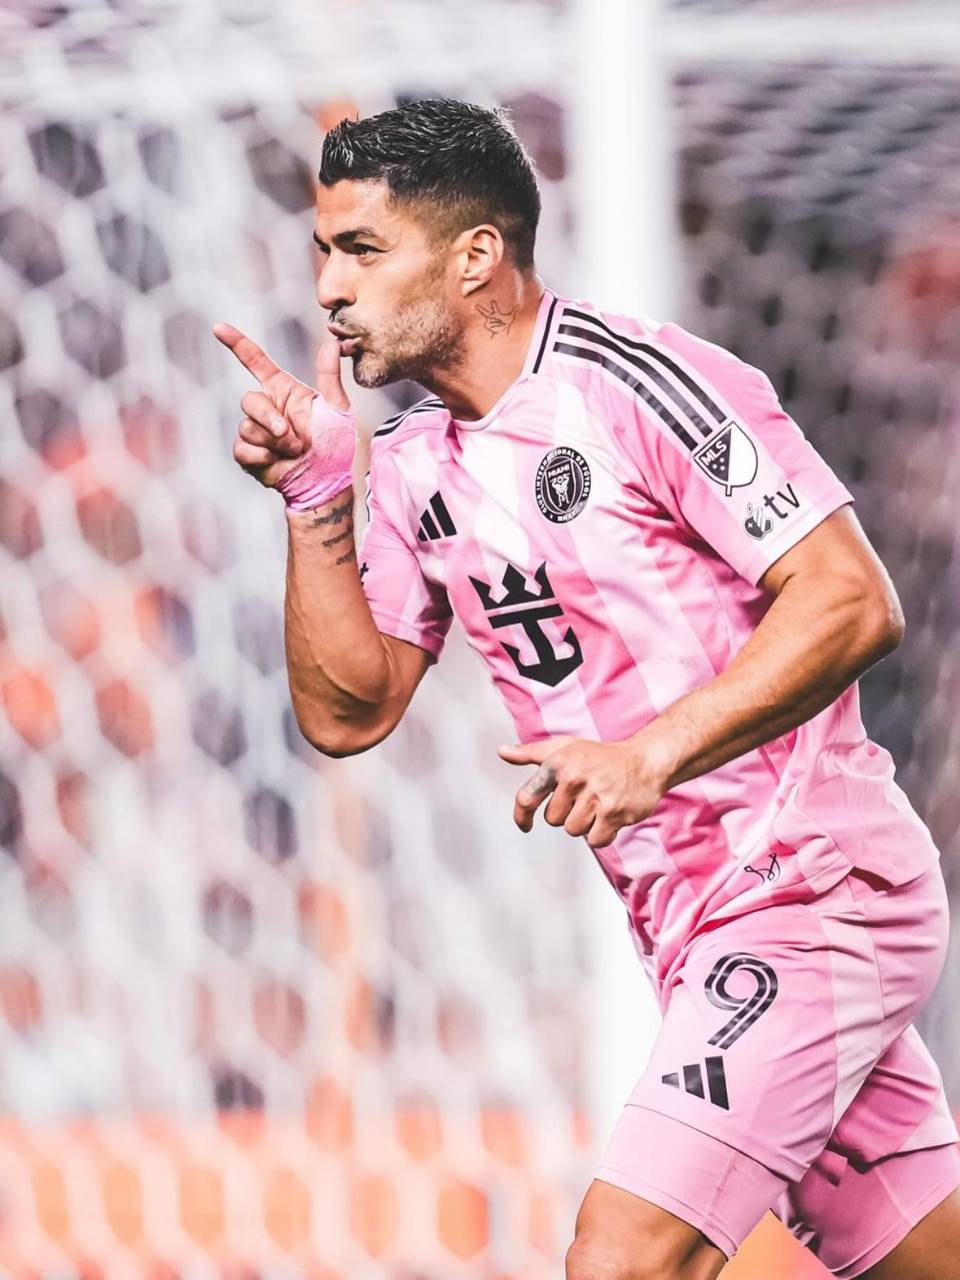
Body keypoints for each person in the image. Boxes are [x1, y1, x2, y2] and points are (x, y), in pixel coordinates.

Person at [213, 98, 960, 1280]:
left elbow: (851, 598)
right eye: (324, 253)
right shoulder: (409, 466)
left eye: (361, 251)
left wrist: (648, 753)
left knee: (622, 1257)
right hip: (688, 922)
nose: (329, 290)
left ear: (475, 256)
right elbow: (349, 712)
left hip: (807, 884)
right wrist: (315, 503)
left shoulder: (641, 383)